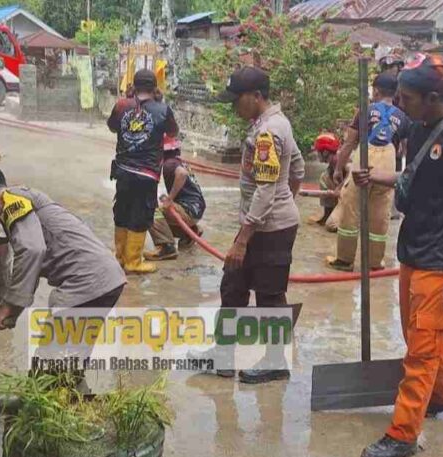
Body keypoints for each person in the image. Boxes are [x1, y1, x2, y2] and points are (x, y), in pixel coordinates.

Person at [353, 54, 443, 457]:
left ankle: (404, 433)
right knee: (421, 334)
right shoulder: (417, 125)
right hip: (413, 249)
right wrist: (378, 177)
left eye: (406, 98)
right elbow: (414, 175)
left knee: (422, 349)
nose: (398, 105)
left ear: (432, 97)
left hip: (442, 258)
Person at [0, 165, 127, 339]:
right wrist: (7, 313)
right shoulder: (22, 197)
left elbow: (31, 250)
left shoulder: (11, 201)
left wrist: (6, 307)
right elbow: (32, 264)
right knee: (71, 355)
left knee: (54, 361)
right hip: (106, 279)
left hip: (85, 283)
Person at [215, 66, 305, 384]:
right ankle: (223, 356)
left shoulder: (268, 132)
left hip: (269, 229)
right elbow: (297, 168)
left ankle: (275, 361)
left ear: (256, 97)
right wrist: (287, 201)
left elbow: (267, 188)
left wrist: (244, 237)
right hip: (266, 222)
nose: (234, 106)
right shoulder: (274, 124)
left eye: (237, 100)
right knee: (233, 285)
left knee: (269, 294)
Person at [327, 73, 412, 272]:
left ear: (375, 91)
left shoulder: (365, 111)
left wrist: (339, 168)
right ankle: (375, 263)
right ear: (396, 93)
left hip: (364, 161)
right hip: (387, 167)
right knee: (380, 213)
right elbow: (403, 151)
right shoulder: (403, 117)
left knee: (351, 209)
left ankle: (345, 260)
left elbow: (349, 143)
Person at [107, 69, 179, 274]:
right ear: (155, 87)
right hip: (146, 174)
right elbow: (173, 132)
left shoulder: (121, 106)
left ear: (133, 85)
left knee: (122, 210)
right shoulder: (163, 110)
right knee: (140, 214)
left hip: (122, 170)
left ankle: (120, 257)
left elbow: (112, 127)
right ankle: (133, 261)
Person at [144, 135, 206, 261]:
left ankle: (166, 247)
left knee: (149, 210)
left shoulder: (169, 163)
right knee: (162, 217)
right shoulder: (179, 162)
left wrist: (170, 199)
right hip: (196, 209)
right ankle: (190, 233)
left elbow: (181, 174)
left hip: (188, 210)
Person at [310, 132, 345, 229]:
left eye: (318, 152)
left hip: (352, 198)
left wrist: (339, 188)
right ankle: (329, 213)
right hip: (344, 197)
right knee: (324, 177)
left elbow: (351, 174)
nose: (317, 154)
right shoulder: (331, 166)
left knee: (331, 225)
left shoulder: (342, 159)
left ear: (325, 152)